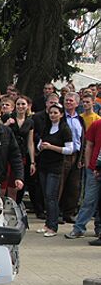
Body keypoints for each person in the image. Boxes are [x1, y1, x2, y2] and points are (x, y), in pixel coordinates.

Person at [35, 103, 72, 237]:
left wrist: (52, 147)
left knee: (52, 197)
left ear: (61, 114)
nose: (53, 115)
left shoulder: (65, 129)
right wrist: (42, 146)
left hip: (55, 166)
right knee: (46, 195)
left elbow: (69, 149)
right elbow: (39, 144)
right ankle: (47, 223)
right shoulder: (47, 127)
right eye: (51, 113)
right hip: (44, 164)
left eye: (56, 113)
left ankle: (53, 226)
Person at [65, 117, 101, 239]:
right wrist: (89, 166)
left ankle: (99, 229)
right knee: (89, 200)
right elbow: (89, 145)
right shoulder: (96, 125)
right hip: (94, 170)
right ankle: (79, 228)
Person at [5, 95, 36, 204]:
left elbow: (30, 143)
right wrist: (7, 124)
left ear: (28, 106)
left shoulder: (30, 122)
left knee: (14, 185)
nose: (20, 106)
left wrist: (32, 161)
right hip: (6, 154)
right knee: (4, 184)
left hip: (20, 155)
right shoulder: (8, 117)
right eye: (18, 104)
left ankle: (11, 208)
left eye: (23, 104)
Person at [60, 92, 85, 223]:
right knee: (60, 185)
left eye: (70, 101)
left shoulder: (79, 119)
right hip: (62, 155)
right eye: (66, 100)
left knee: (73, 186)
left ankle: (69, 213)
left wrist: (81, 158)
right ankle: (56, 213)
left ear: (77, 103)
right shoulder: (60, 117)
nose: (68, 102)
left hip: (76, 156)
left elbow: (82, 139)